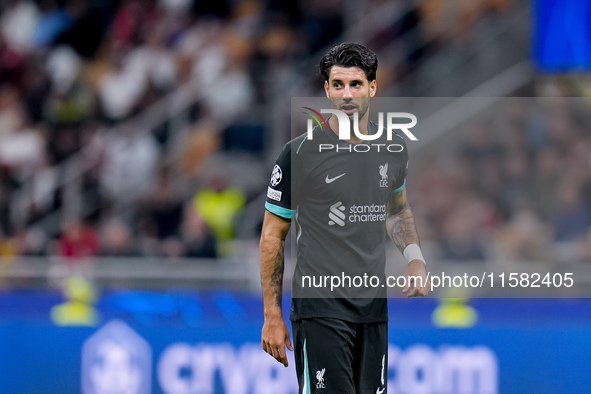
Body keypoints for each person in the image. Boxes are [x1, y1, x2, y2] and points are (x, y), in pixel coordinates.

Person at [260, 42, 429, 394]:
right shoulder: (299, 154)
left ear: (372, 87)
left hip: (372, 308)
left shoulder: (394, 147)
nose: (347, 94)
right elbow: (273, 235)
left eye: (355, 84)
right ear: (326, 90)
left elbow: (397, 209)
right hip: (320, 306)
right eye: (338, 85)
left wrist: (414, 259)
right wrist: (271, 314)